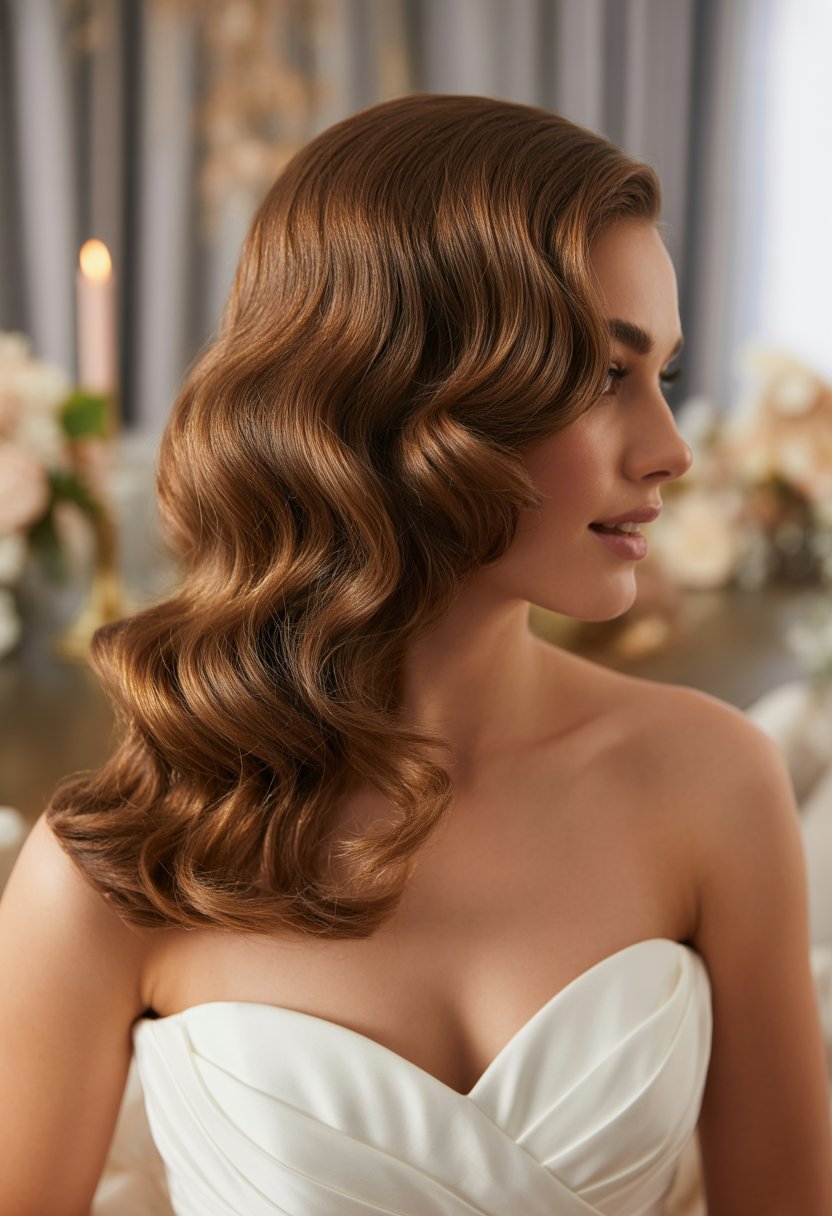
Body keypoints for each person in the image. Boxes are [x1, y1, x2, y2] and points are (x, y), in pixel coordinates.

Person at [1, 93, 830, 1216]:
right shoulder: (120, 860)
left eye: (662, 377)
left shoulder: (712, 782)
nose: (670, 450)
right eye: (600, 375)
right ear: (401, 392)